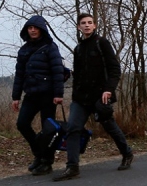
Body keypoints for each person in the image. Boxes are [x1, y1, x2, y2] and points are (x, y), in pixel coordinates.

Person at [53, 13, 133, 181]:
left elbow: (114, 70)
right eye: (83, 23)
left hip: (100, 96)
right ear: (79, 27)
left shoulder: (101, 43)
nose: (87, 25)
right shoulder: (78, 48)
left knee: (109, 126)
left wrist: (108, 90)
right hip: (81, 98)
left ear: (95, 26)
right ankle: (72, 167)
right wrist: (74, 94)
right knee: (73, 128)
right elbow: (79, 75)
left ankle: (127, 153)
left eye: (90, 22)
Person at [11, 15, 65, 176]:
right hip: (31, 94)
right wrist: (16, 97)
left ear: (41, 30)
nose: (33, 30)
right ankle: (39, 154)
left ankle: (46, 163)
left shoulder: (50, 47)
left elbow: (57, 71)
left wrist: (58, 94)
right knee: (22, 124)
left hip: (48, 95)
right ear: (26, 30)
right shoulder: (24, 50)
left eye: (35, 28)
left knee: (47, 130)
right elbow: (19, 75)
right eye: (30, 28)